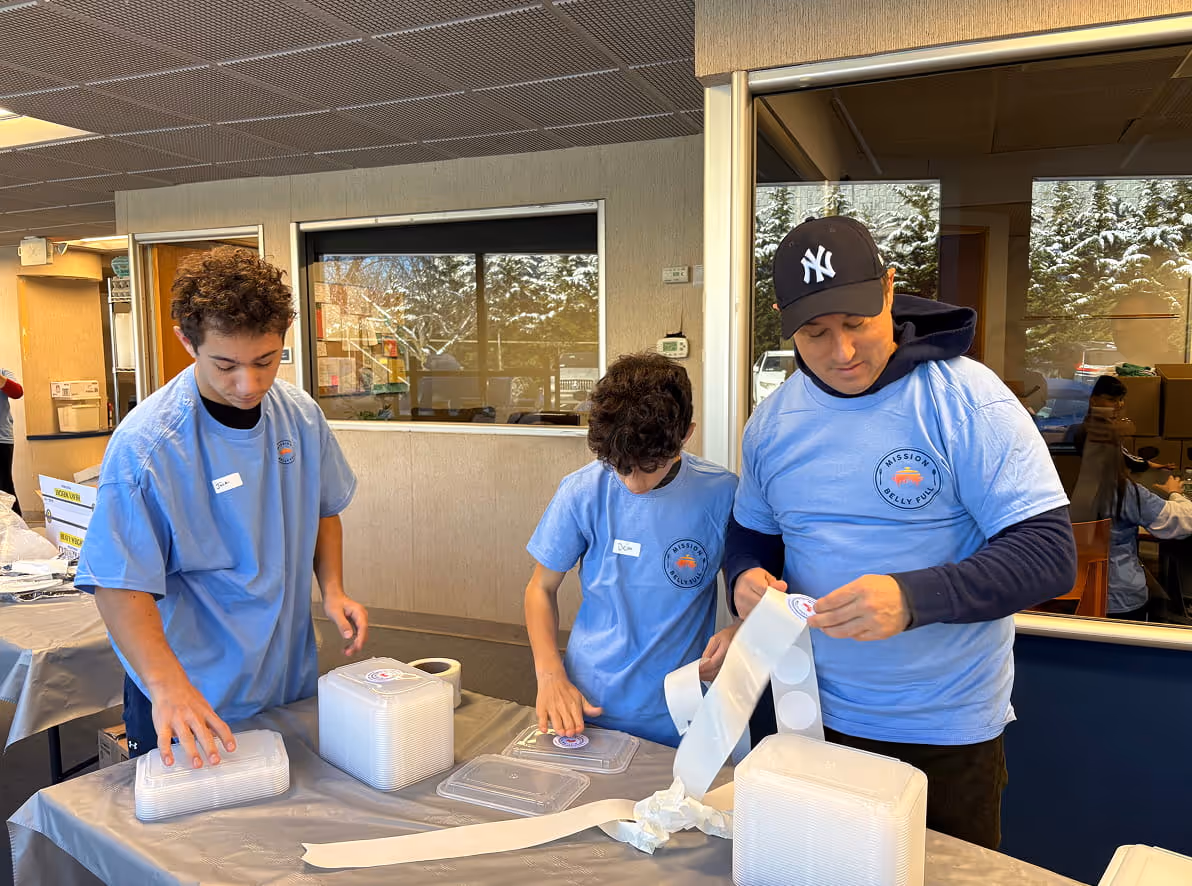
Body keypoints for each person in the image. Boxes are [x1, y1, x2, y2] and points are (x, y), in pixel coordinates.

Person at [724, 216, 1076, 849]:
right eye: (815, 332)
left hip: (941, 731)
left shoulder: (966, 401)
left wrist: (914, 599)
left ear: (889, 290)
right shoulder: (773, 424)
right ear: (784, 320)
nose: (842, 352)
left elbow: (1048, 555)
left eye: (857, 323)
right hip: (804, 717)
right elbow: (752, 536)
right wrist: (743, 579)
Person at [75, 247, 368, 770]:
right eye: (226, 365)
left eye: (266, 361)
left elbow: (324, 507)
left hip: (282, 669)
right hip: (187, 686)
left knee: (284, 812)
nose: (249, 385)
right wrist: (167, 686)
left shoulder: (298, 416)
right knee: (186, 842)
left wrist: (335, 589)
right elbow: (119, 582)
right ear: (187, 341)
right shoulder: (149, 446)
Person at [524, 352, 739, 747]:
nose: (634, 484)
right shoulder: (583, 491)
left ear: (686, 435)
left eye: (651, 466)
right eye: (621, 468)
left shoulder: (722, 493)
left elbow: (749, 588)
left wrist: (740, 628)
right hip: (587, 702)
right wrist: (550, 674)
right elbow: (541, 589)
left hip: (680, 708)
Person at [1070, 403, 1192, 621]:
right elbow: (1183, 522)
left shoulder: (1068, 484)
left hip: (1073, 593)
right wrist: (1175, 494)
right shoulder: (1122, 491)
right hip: (1121, 599)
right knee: (1161, 601)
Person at [1069, 374, 1171, 473]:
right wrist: (1149, 465)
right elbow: (1125, 460)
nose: (1119, 405)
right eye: (1112, 400)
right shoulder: (1097, 430)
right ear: (1094, 400)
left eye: (1121, 399)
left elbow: (1124, 455)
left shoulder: (1096, 424)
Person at [0, 367, 23, 515]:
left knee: (4, 486)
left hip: (2, 439)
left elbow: (17, 392)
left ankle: (18, 529)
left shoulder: (4, 373)